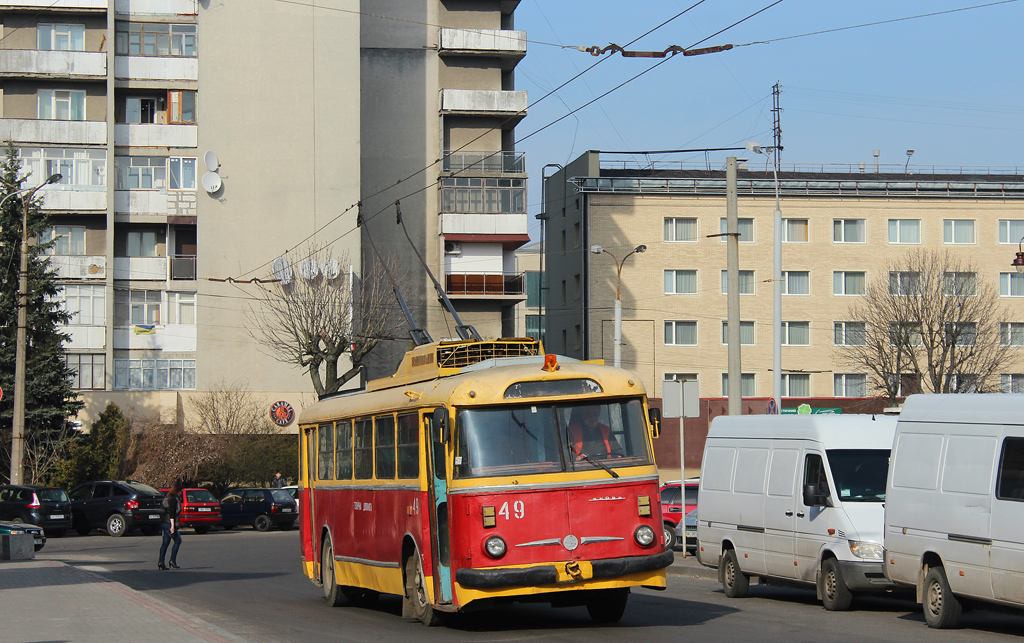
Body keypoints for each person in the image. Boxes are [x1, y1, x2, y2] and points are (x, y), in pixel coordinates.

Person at [158, 481, 182, 571]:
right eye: (180, 492)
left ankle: (161, 562)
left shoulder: (168, 498)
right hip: (169, 523)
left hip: (164, 523)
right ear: (177, 491)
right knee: (178, 540)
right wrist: (172, 526)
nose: (181, 493)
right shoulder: (173, 500)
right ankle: (172, 560)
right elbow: (172, 513)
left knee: (165, 543)